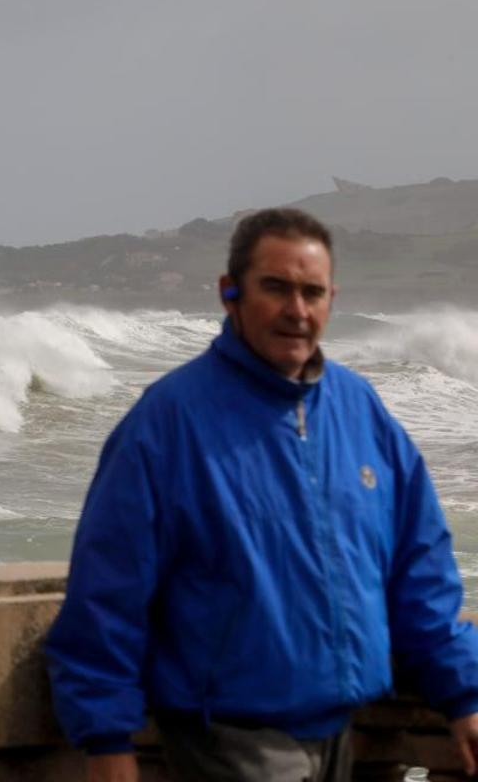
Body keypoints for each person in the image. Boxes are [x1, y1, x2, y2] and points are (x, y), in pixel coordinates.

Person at [44, 208, 478, 781]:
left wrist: (462, 692)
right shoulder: (169, 422)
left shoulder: (359, 409)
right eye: (276, 288)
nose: (297, 310)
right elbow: (107, 590)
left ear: (331, 300)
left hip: (343, 732)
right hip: (230, 738)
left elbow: (418, 565)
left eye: (312, 292)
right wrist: (105, 739)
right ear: (230, 293)